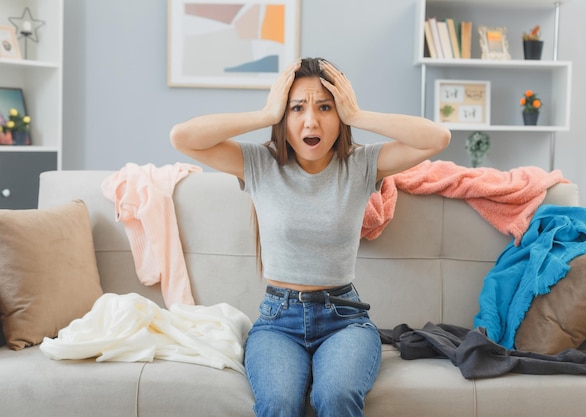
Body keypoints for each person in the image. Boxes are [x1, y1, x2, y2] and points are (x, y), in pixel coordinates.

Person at [170, 57, 451, 417]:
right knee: (279, 404)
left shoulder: (361, 164)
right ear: (283, 118)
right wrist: (265, 112)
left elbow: (438, 137)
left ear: (340, 116)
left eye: (325, 107)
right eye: (297, 108)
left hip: (344, 320)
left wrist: (358, 114)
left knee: (335, 397)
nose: (311, 121)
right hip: (277, 322)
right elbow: (182, 137)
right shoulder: (260, 164)